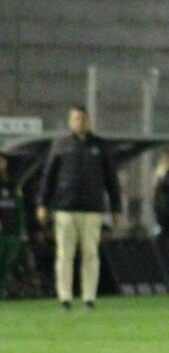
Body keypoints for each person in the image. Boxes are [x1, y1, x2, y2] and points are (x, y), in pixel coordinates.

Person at [36, 105, 122, 311]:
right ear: (70, 121)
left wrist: (116, 207)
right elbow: (49, 176)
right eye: (76, 119)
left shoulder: (100, 147)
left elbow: (111, 179)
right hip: (65, 207)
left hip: (92, 209)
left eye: (83, 118)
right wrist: (42, 203)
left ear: (89, 121)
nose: (80, 122)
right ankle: (64, 298)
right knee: (65, 254)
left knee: (90, 253)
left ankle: (88, 298)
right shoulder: (61, 145)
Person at [0, 154, 25, 298]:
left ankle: (2, 291)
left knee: (6, 263)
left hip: (11, 230)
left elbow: (20, 208)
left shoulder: (13, 184)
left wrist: (22, 230)